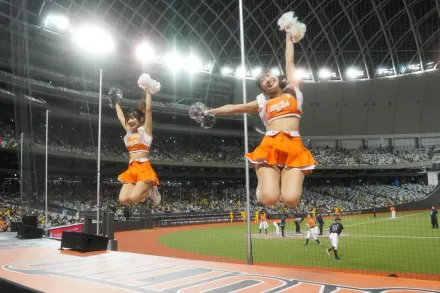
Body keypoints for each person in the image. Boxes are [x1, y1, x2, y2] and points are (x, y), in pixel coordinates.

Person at [207, 34, 315, 207]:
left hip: (294, 148)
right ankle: (262, 190)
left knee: (291, 200)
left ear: (277, 76)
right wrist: (210, 111)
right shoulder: (262, 102)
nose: (266, 79)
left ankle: (279, 189)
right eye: (262, 81)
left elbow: (289, 62)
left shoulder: (294, 92)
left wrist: (288, 38)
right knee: (270, 200)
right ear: (262, 88)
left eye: (267, 75)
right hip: (270, 146)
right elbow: (235, 108)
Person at [113, 85, 161, 205]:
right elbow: (120, 117)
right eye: (128, 119)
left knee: (135, 198)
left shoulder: (146, 131)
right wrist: (116, 103)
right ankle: (147, 192)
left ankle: (151, 190)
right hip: (131, 169)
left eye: (133, 118)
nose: (130, 121)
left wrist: (148, 91)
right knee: (123, 200)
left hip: (144, 168)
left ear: (141, 119)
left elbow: (148, 109)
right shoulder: (129, 134)